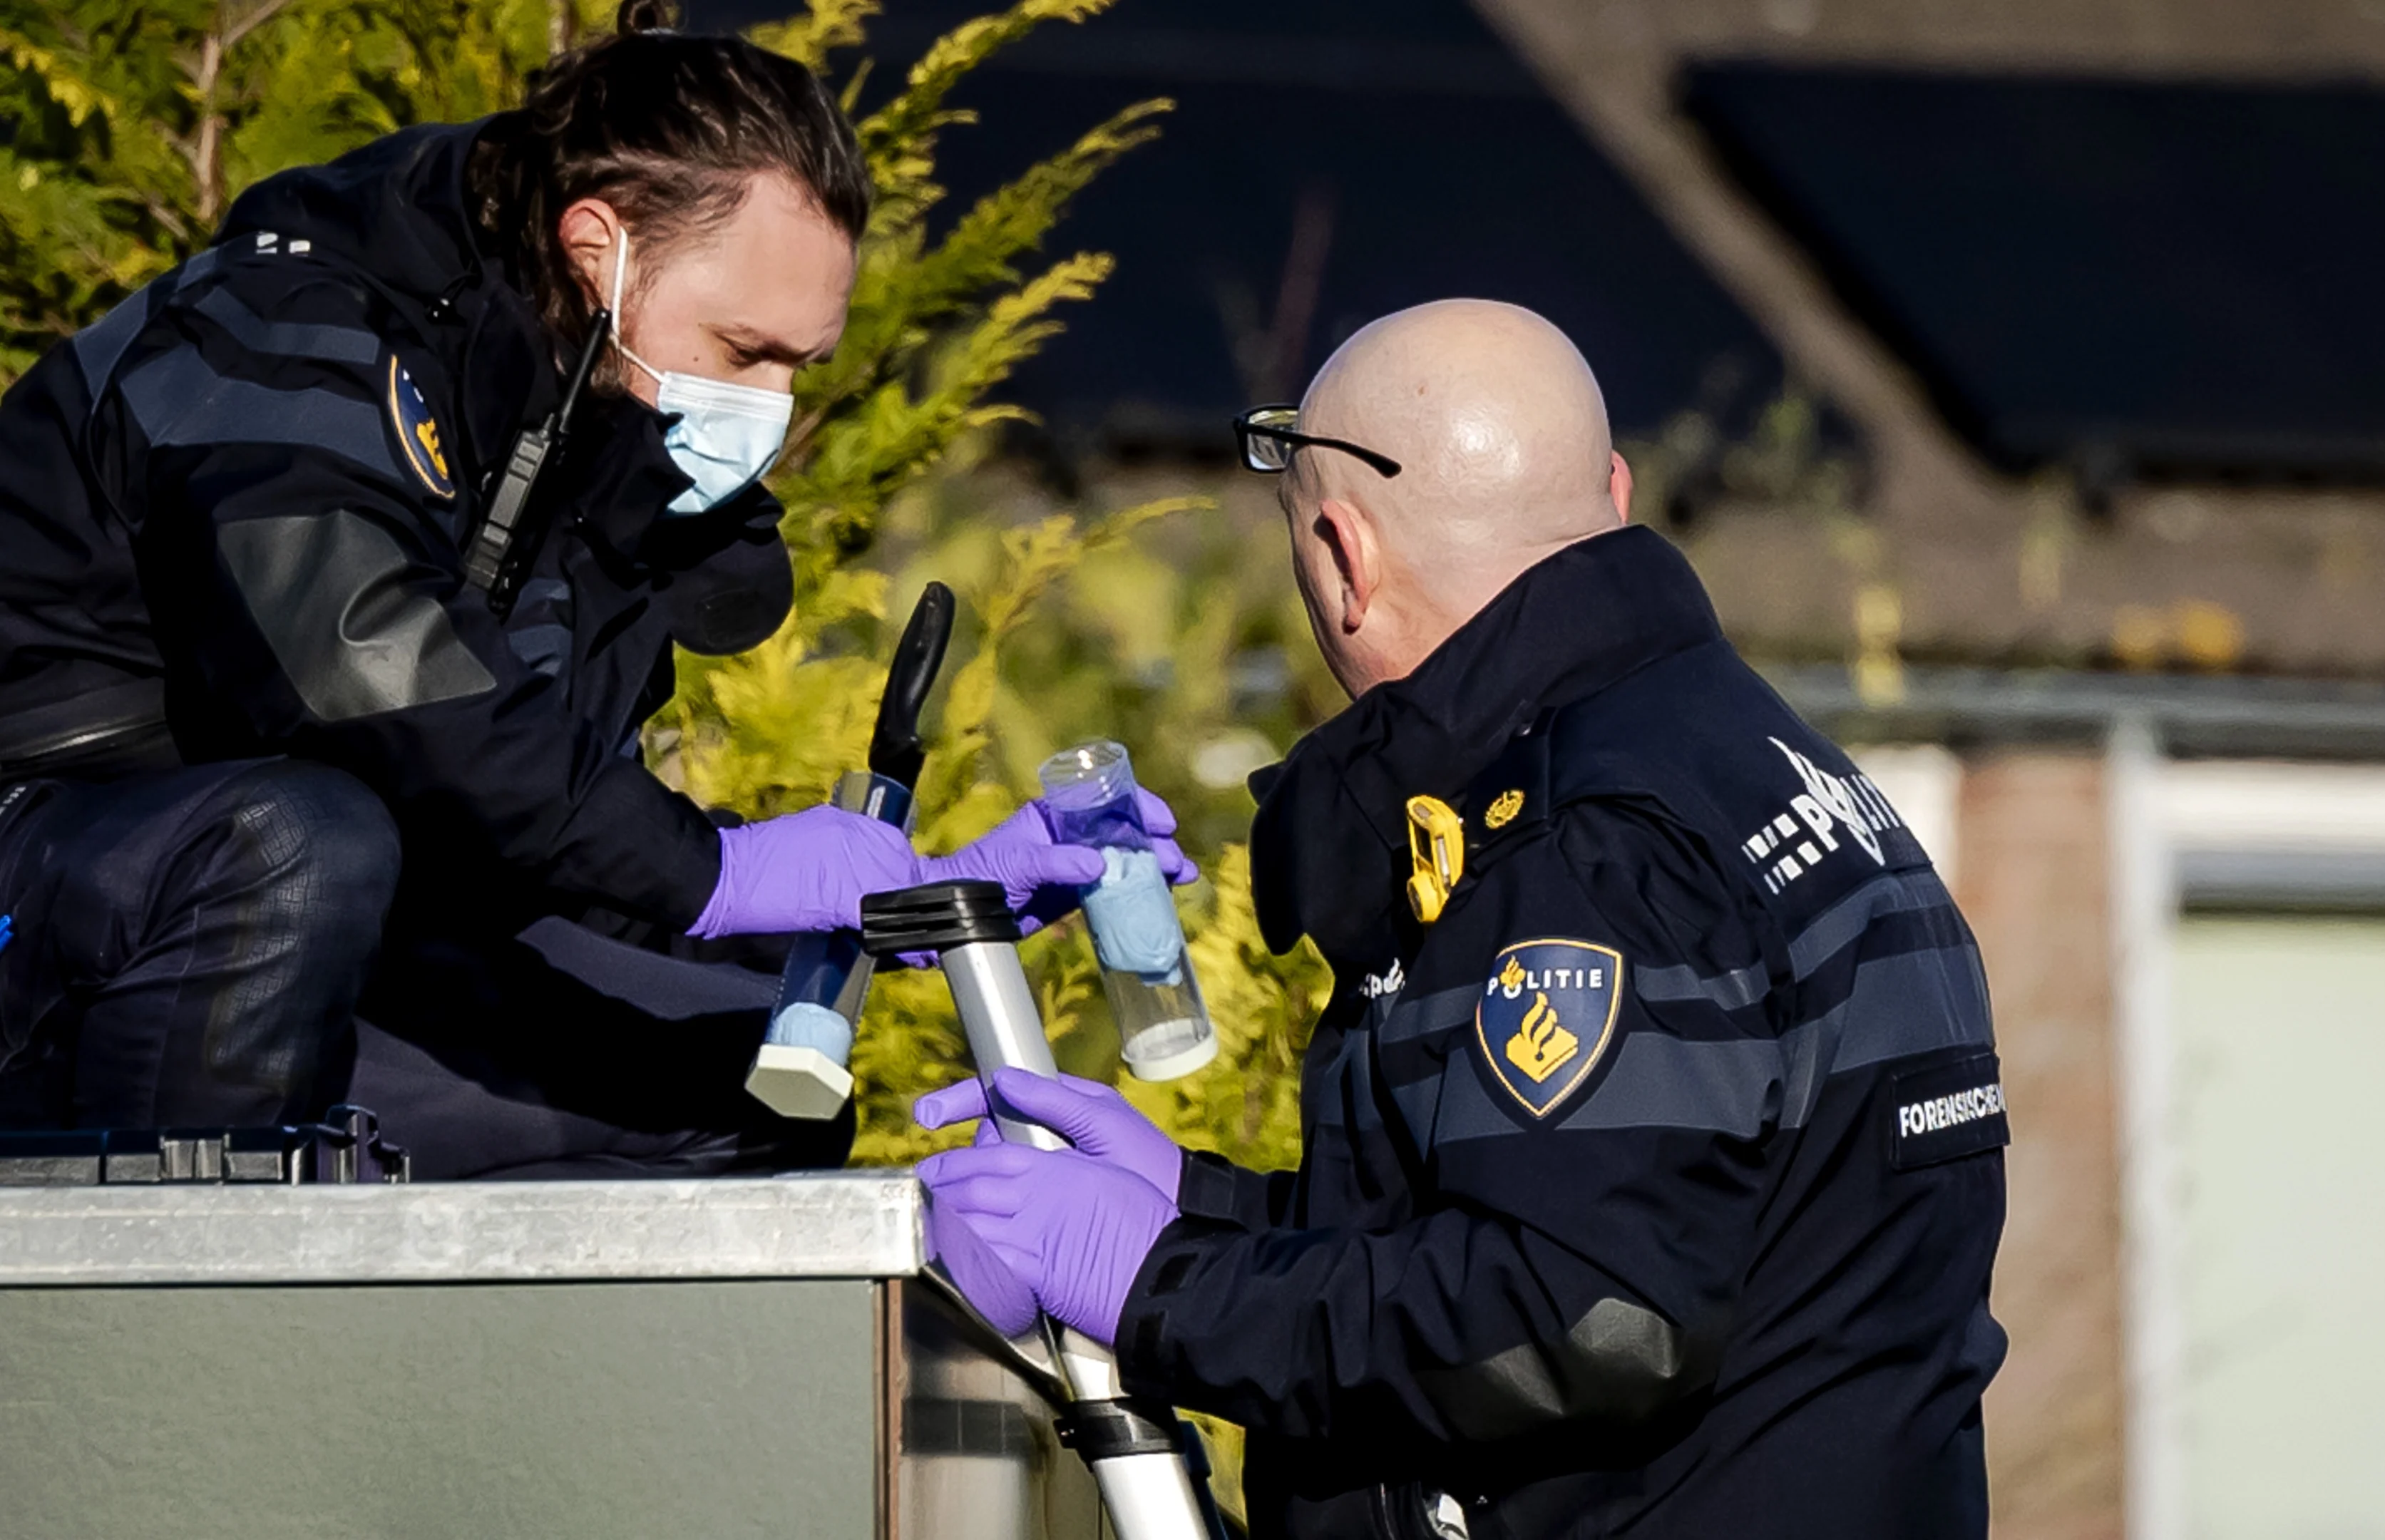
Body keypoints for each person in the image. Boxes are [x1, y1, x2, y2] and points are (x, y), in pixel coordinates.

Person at [0, 5, 1184, 1177]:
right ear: (594, 249)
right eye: (742, 351)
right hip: (60, 886)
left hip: (279, 933)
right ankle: (166, 1324)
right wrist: (715, 874)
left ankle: (395, 1331)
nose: (770, 407)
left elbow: (542, 822)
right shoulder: (280, 325)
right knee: (298, 840)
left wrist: (904, 900)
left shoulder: (582, 433)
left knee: (742, 1087)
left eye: (798, 366)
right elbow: (362, 663)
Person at [917, 300, 2007, 1539]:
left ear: (1344, 555)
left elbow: (1585, 1316)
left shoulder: (1573, 843)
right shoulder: (1767, 766)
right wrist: (1201, 1210)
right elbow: (1591, 1210)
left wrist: (1161, 1286)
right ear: (1613, 487)